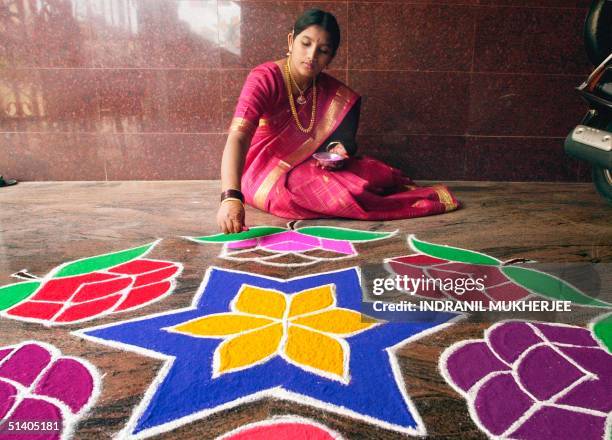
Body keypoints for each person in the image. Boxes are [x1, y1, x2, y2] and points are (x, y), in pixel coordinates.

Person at [217, 9, 460, 233]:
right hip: (264, 170)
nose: (311, 55)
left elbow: (343, 139)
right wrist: (230, 197)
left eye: (322, 50)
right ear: (291, 41)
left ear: (330, 57)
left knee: (371, 178)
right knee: (343, 193)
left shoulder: (330, 91)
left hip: (308, 163)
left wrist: (339, 150)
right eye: (305, 43)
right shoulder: (264, 79)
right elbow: (238, 136)